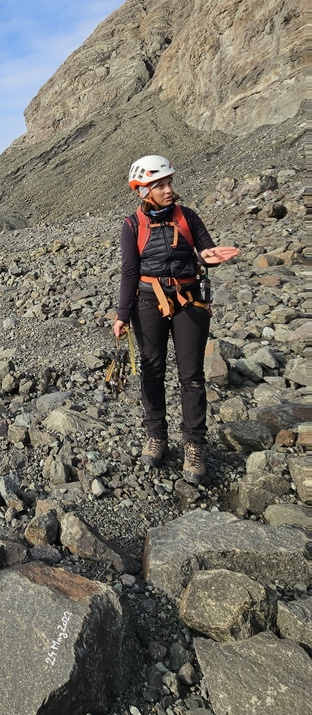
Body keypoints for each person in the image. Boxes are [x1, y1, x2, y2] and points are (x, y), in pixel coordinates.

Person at [113, 155, 240, 484]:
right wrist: (122, 314)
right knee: (152, 369)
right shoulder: (131, 226)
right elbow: (129, 271)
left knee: (192, 374)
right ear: (143, 191)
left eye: (170, 183)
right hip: (147, 302)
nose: (169, 189)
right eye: (161, 185)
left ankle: (194, 445)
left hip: (190, 301)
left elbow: (205, 250)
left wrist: (209, 257)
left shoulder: (189, 216)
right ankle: (157, 435)